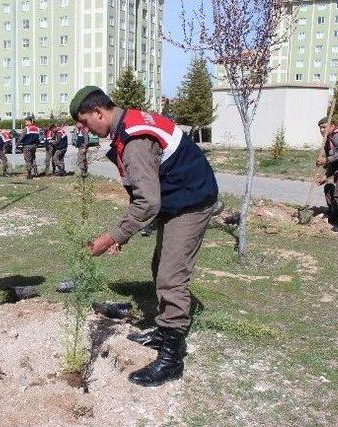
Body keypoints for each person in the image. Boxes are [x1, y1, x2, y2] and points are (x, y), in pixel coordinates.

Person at [70, 86, 218, 387]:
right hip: (178, 197)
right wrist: (122, 236)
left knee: (171, 276)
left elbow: (148, 202)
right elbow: (146, 192)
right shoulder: (129, 124)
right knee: (160, 265)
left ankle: (171, 358)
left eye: (85, 122)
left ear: (99, 112)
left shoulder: (134, 139)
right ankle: (163, 330)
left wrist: (112, 236)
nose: (83, 129)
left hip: (190, 202)